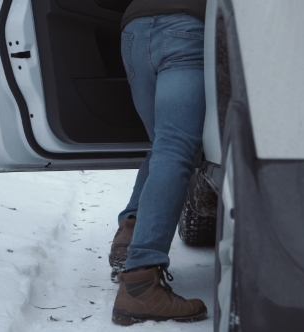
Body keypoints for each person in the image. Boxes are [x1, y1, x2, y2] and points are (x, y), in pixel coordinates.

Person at [108, 0, 209, 326]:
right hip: (187, 26)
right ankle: (141, 283)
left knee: (164, 145)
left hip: (135, 31)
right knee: (175, 149)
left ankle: (132, 229)